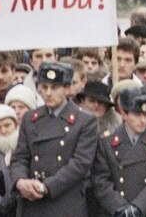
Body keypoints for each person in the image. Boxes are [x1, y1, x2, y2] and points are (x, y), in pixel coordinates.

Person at [10, 61, 98, 217]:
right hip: (32, 203)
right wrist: (20, 181)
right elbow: (20, 157)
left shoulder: (84, 121)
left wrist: (46, 187)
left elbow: (80, 164)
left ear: (67, 89)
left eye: (54, 87)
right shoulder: (30, 118)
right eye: (44, 87)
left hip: (65, 203)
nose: (48, 93)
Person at [91, 86, 146, 217]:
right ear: (123, 113)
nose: (143, 120)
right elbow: (101, 181)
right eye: (137, 114)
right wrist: (120, 207)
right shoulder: (106, 142)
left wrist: (138, 208)